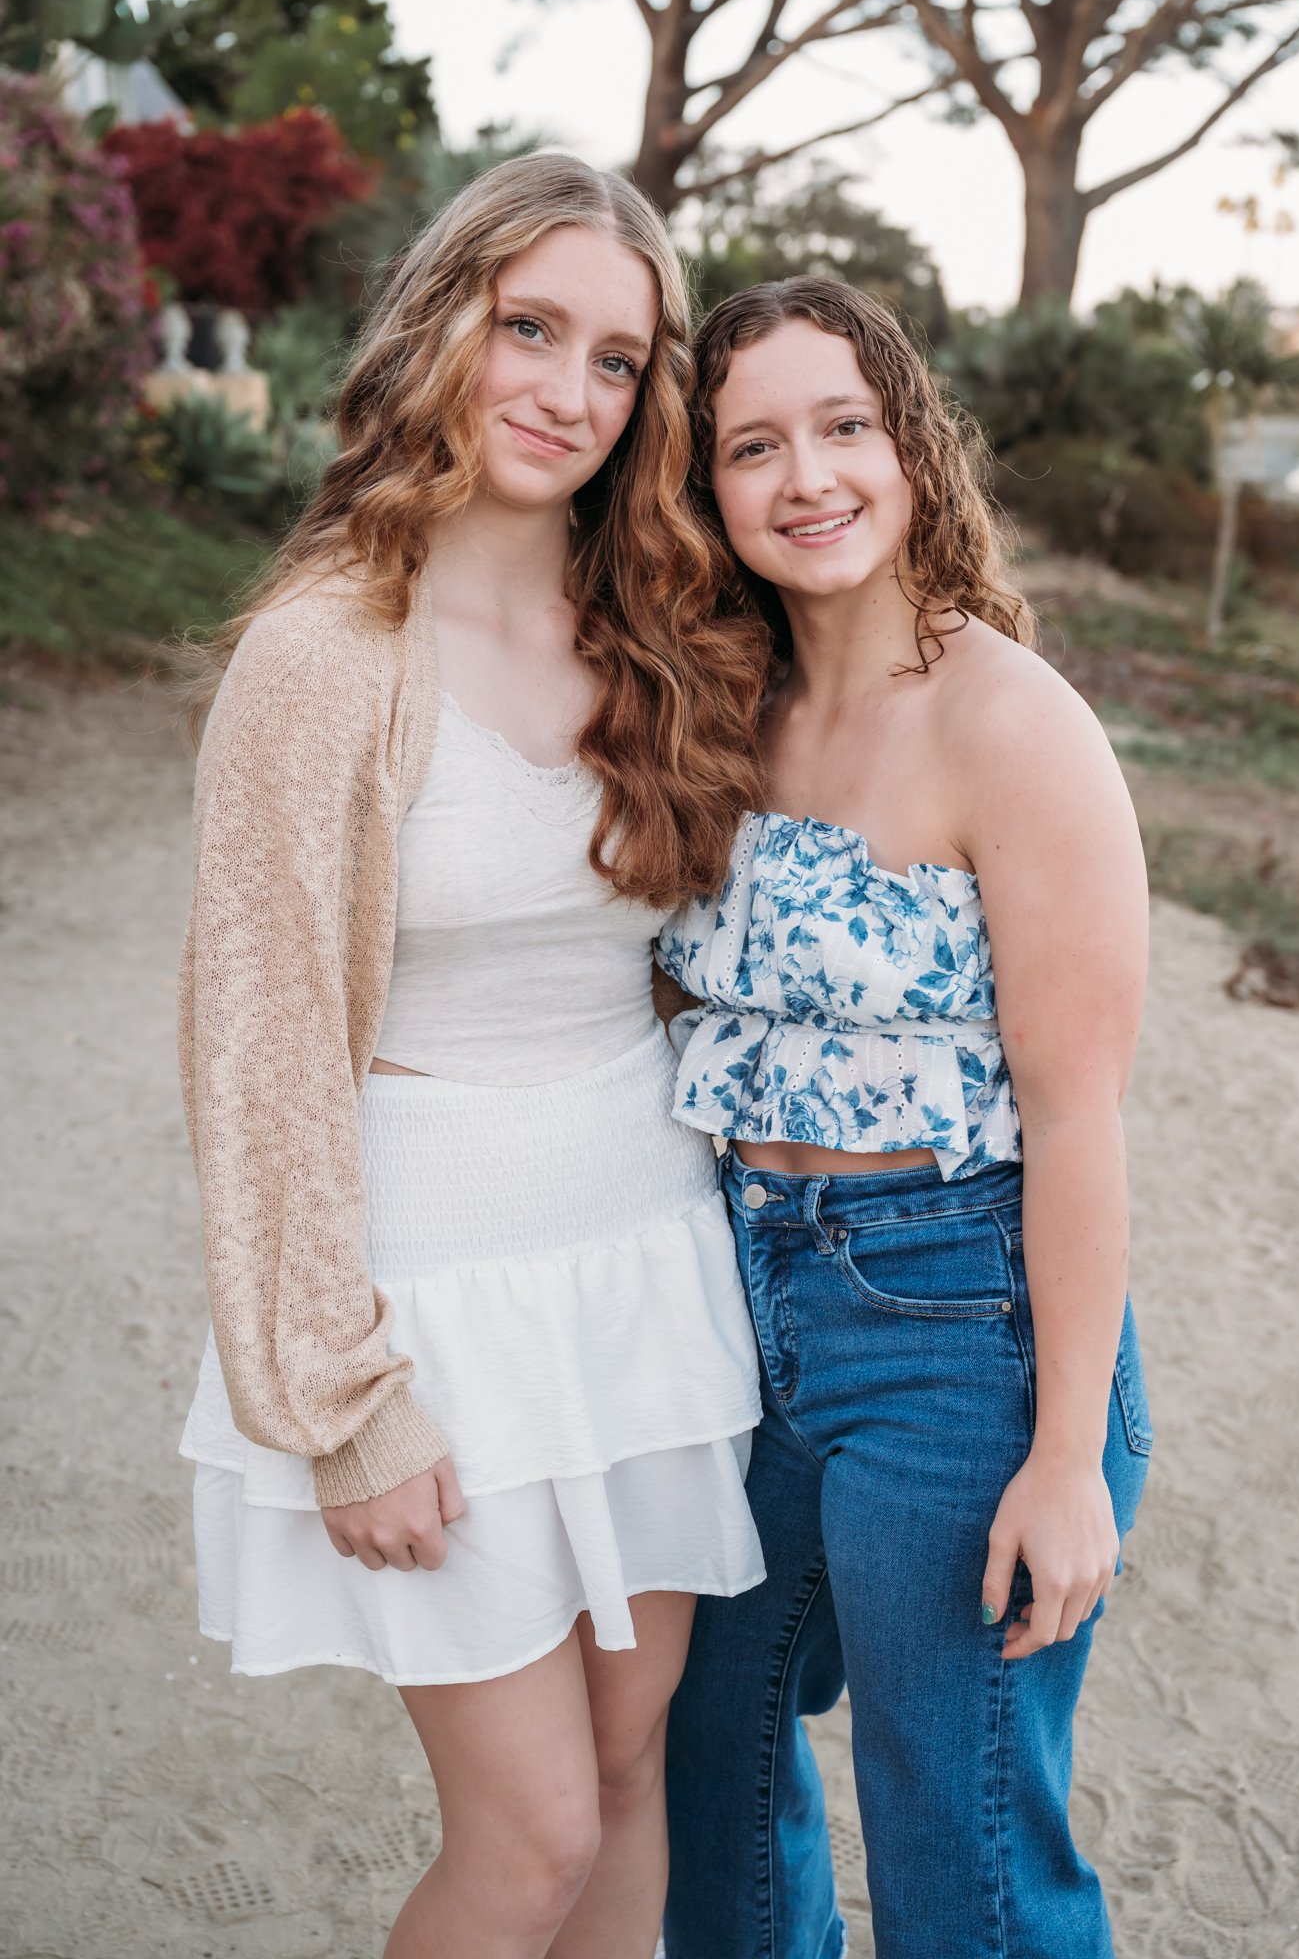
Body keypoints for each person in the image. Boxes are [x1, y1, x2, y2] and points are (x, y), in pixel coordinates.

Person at [175, 152, 771, 1959]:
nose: (567, 393)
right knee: (525, 1840)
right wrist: (339, 1404)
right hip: (439, 1300)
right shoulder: (321, 655)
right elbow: (255, 1049)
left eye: (616, 359)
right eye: (532, 329)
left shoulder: (662, 635)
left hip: (650, 1275)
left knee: (629, 1781)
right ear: (446, 322)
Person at [657, 277, 1153, 1959]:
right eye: (752, 444)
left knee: (960, 1853)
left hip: (960, 1328)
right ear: (703, 485)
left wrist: (1070, 1458)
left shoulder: (1010, 723)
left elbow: (1079, 1118)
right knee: (705, 1762)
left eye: (843, 425)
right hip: (744, 1302)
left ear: (908, 445)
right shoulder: (721, 714)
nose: (807, 475)